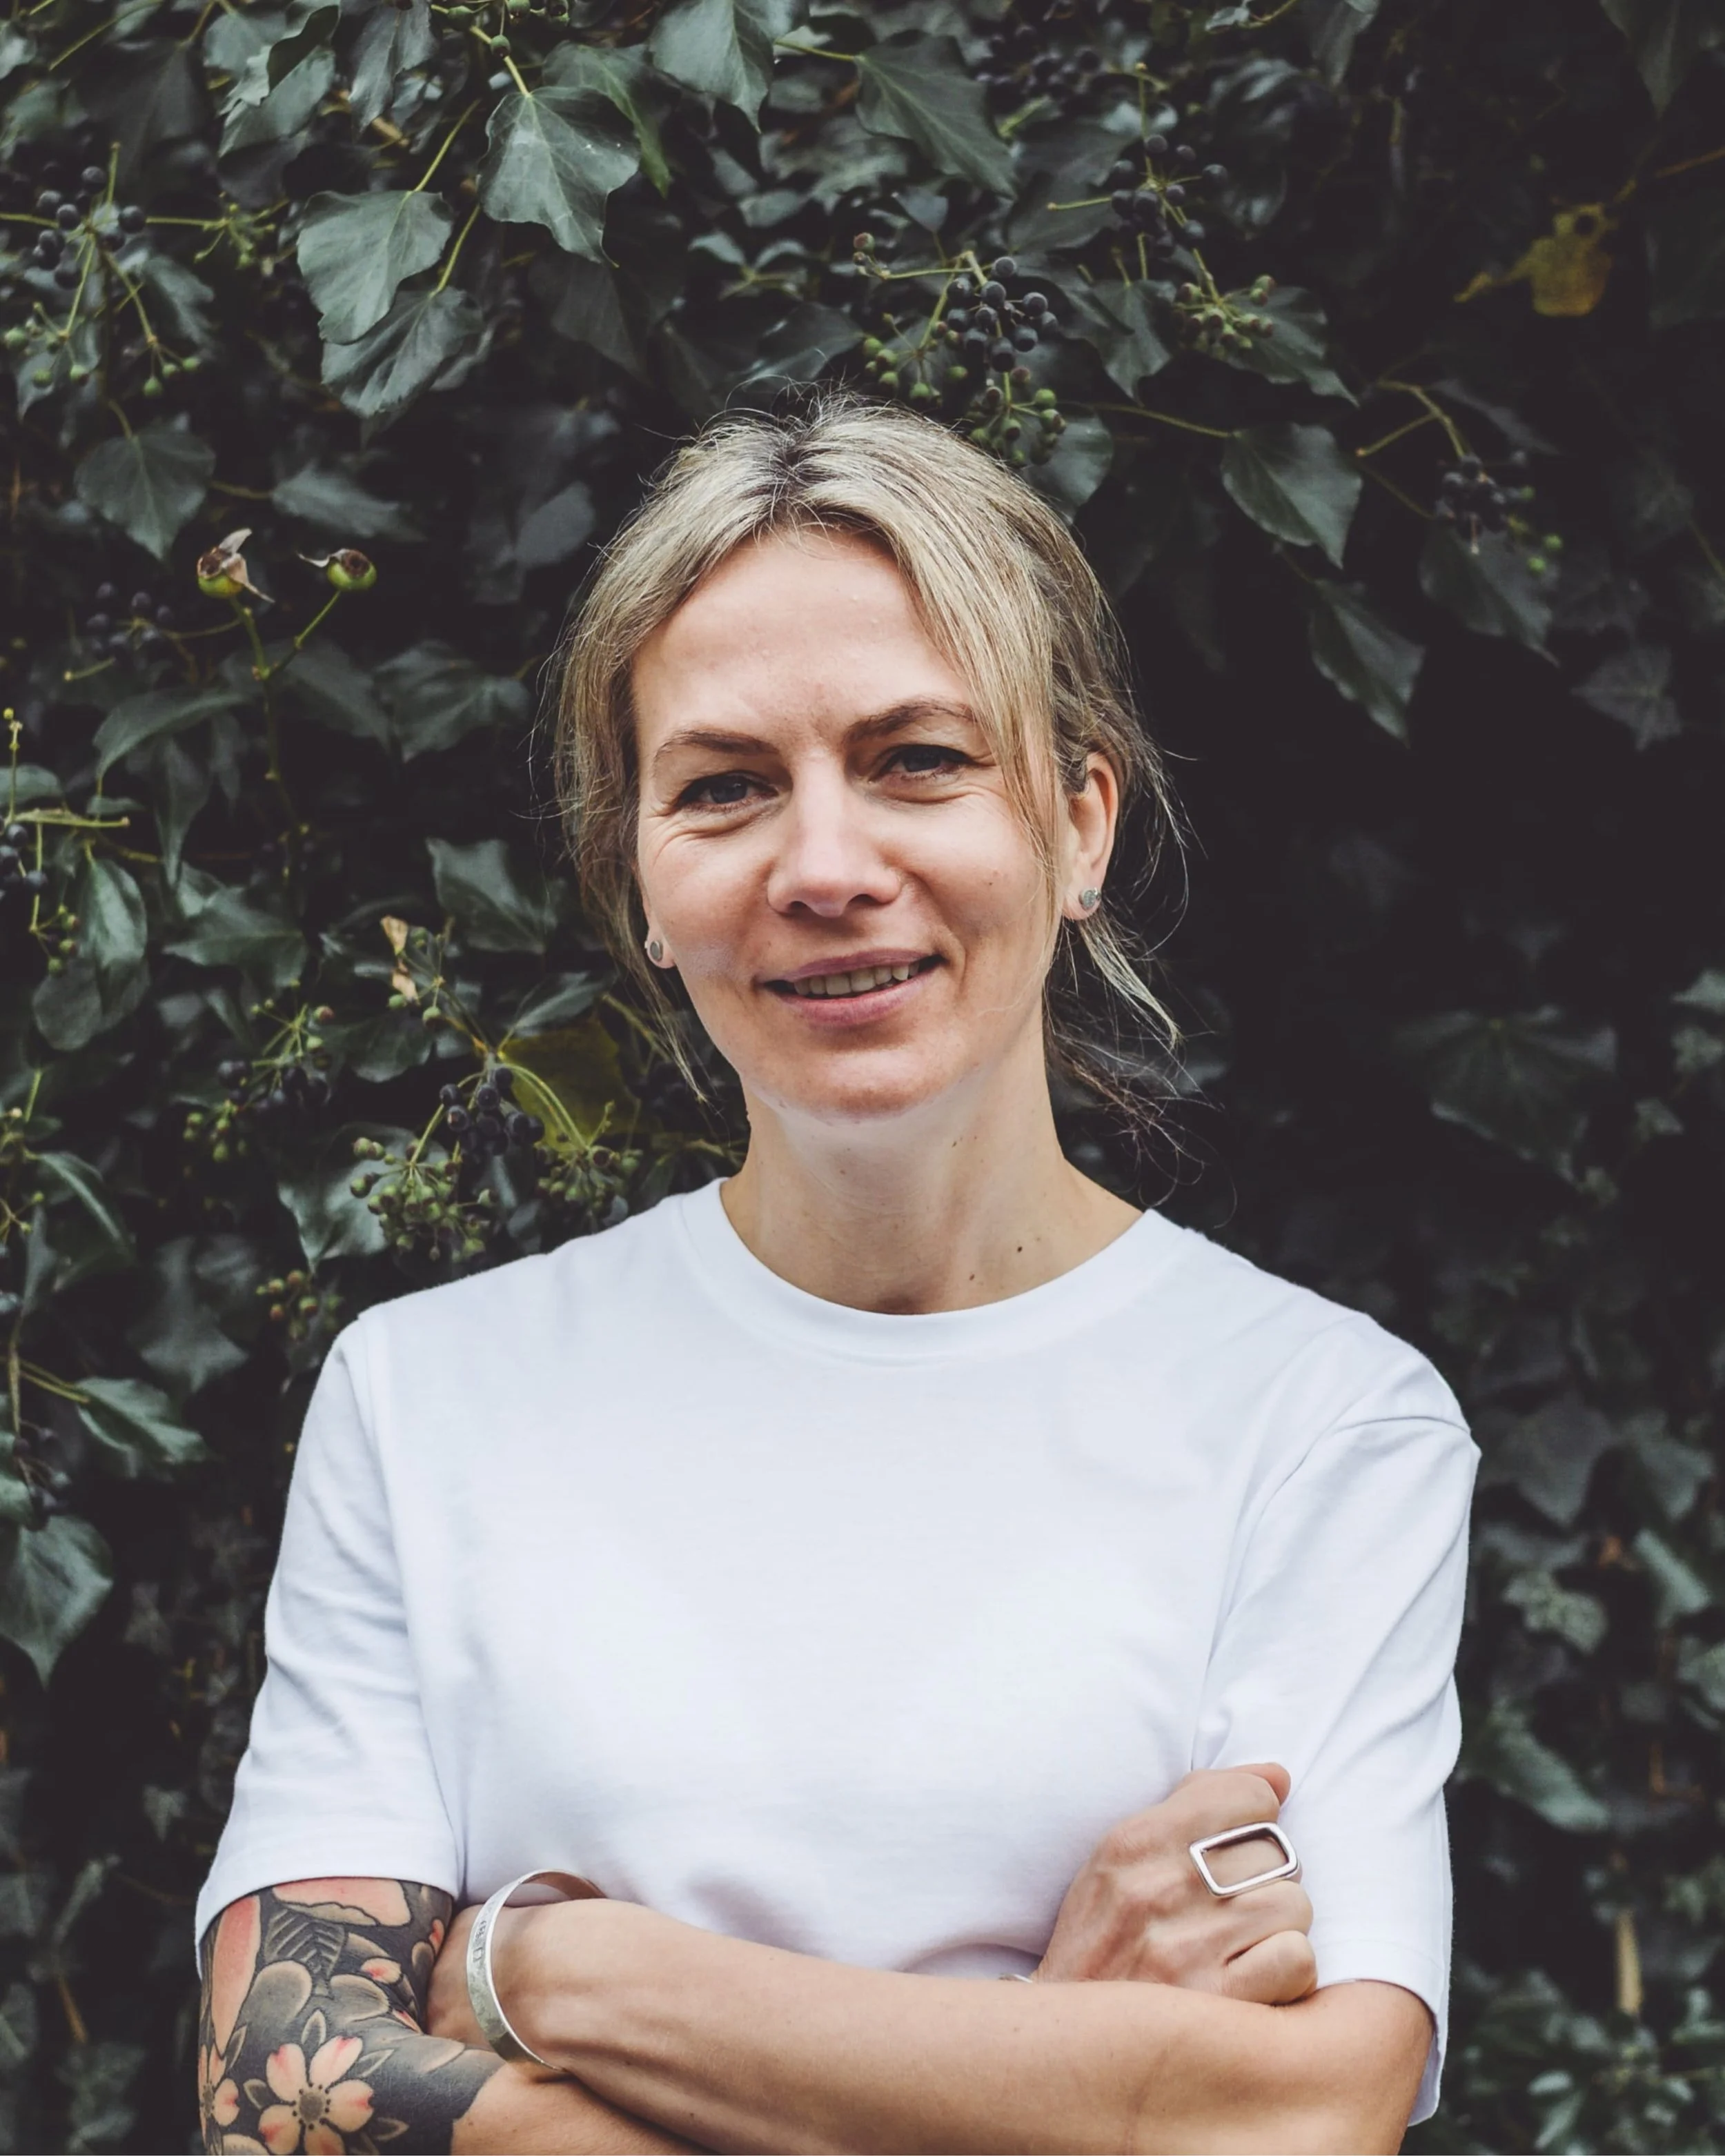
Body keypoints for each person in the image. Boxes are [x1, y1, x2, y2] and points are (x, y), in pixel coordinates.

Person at [195, 397, 1476, 2156]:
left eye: (917, 758)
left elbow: (1300, 2113)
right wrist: (1055, 2067)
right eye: (723, 787)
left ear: (1080, 825)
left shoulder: (1320, 1420)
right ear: (641, 878)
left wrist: (549, 1968)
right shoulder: (428, 1393)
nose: (821, 868)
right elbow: (280, 2080)